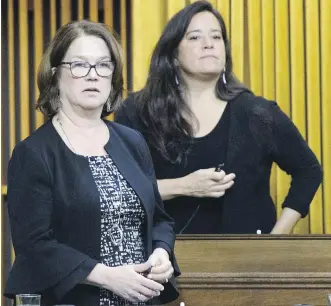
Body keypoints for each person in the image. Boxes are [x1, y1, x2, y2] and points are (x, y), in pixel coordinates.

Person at [4, 20, 180, 306]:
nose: (93, 75)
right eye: (79, 65)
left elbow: (159, 219)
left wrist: (161, 252)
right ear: (55, 75)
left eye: (103, 65)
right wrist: (107, 277)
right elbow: (34, 246)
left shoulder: (132, 142)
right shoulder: (33, 153)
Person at [115, 1, 323, 235]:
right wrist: (185, 186)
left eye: (216, 37)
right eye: (194, 38)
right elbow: (116, 191)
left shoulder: (257, 113)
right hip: (161, 259)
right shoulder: (137, 112)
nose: (208, 45)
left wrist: (275, 241)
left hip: (244, 262)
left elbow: (309, 170)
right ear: (173, 55)